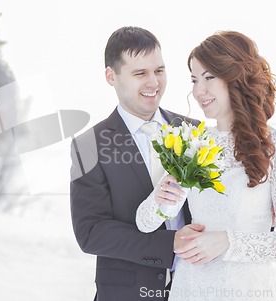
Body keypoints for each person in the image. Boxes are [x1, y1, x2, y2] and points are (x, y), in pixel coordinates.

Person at [136, 31, 276, 300]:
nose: (198, 90)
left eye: (209, 77)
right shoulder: (194, 144)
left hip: (247, 290)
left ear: (235, 77)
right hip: (190, 287)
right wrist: (161, 199)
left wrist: (227, 242)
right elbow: (144, 223)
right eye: (194, 79)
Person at [70, 26, 201, 301]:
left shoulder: (194, 130)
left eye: (159, 71)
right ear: (111, 76)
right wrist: (169, 245)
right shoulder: (88, 146)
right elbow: (91, 231)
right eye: (140, 73)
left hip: (197, 287)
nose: (153, 82)